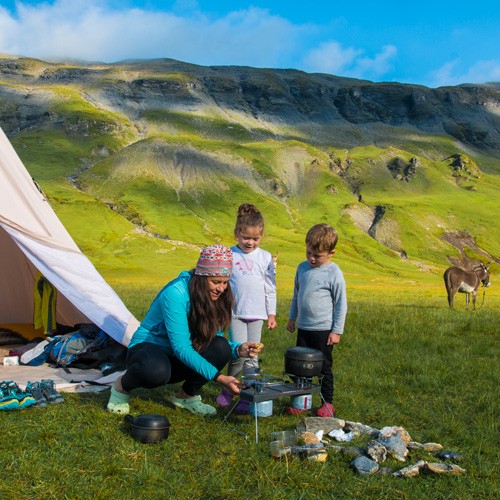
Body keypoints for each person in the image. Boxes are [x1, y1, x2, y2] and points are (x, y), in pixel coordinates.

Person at [106, 244, 263, 416]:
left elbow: (213, 337)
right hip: (150, 348)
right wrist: (220, 377)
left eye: (225, 282)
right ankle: (121, 387)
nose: (221, 288)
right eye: (216, 282)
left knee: (221, 346)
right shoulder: (176, 293)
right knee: (156, 371)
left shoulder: (215, 296)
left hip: (177, 356)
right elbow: (181, 347)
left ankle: (186, 397)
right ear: (201, 278)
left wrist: (237, 349)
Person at [216, 204, 277, 414]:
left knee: (253, 356)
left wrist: (271, 313)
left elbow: (270, 287)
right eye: (245, 238)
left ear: (261, 237)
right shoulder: (229, 255)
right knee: (239, 355)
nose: (250, 242)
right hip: (236, 314)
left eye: (255, 239)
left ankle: (247, 395)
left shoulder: (265, 257)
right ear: (237, 234)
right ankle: (228, 390)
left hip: (257, 314)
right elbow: (222, 285)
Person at [286, 224, 347, 417]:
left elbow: (340, 303)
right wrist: (291, 318)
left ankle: (327, 402)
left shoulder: (333, 272)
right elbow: (296, 295)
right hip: (304, 327)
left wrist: (336, 330)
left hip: (323, 330)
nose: (312, 258)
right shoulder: (302, 268)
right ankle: (300, 400)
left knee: (323, 367)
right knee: (300, 366)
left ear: (331, 253)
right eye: (309, 252)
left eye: (317, 255)